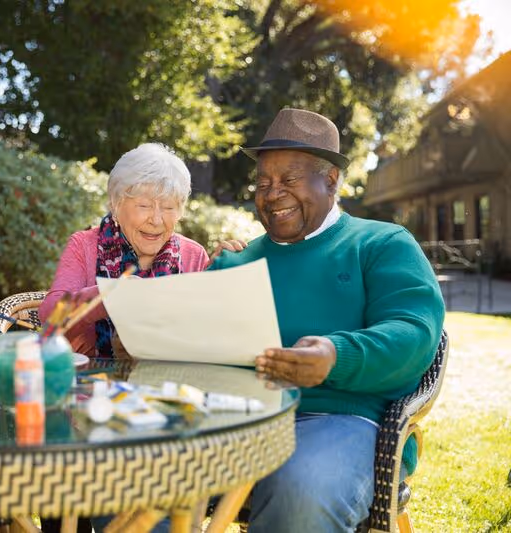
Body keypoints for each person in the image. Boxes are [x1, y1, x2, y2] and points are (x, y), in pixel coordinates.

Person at [207, 108, 445, 532]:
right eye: (263, 183)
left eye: (289, 180)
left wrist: (337, 355)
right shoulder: (235, 260)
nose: (272, 194)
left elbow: (415, 334)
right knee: (126, 475)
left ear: (331, 180)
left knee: (304, 488)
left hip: (345, 420)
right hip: (230, 421)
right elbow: (193, 339)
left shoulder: (382, 243)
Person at [40, 143, 212, 358]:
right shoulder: (83, 246)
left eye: (168, 207)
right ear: (115, 204)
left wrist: (226, 270)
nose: (157, 220)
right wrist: (105, 296)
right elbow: (49, 319)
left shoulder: (194, 255)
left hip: (170, 385)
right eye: (144, 206)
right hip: (95, 384)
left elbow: (209, 337)